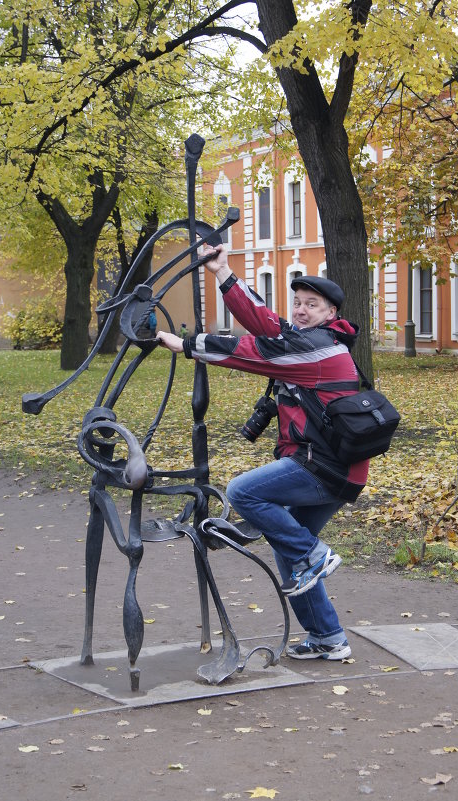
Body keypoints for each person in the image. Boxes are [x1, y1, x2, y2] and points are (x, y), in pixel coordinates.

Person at [157, 246, 369, 661]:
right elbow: (266, 324)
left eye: (313, 305)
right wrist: (223, 273)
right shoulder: (311, 340)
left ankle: (315, 553)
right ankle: (329, 637)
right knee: (285, 548)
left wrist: (186, 344)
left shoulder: (318, 350)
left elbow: (250, 351)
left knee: (242, 492)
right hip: (341, 471)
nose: (302, 310)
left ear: (331, 314)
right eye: (298, 302)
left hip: (322, 467)